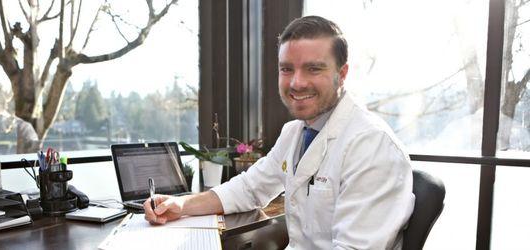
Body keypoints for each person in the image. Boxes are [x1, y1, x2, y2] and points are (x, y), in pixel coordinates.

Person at [144, 15, 415, 249]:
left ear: (342, 74)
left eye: (313, 68)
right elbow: (249, 188)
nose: (297, 83)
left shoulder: (372, 145)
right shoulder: (295, 132)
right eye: (287, 69)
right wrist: (181, 205)